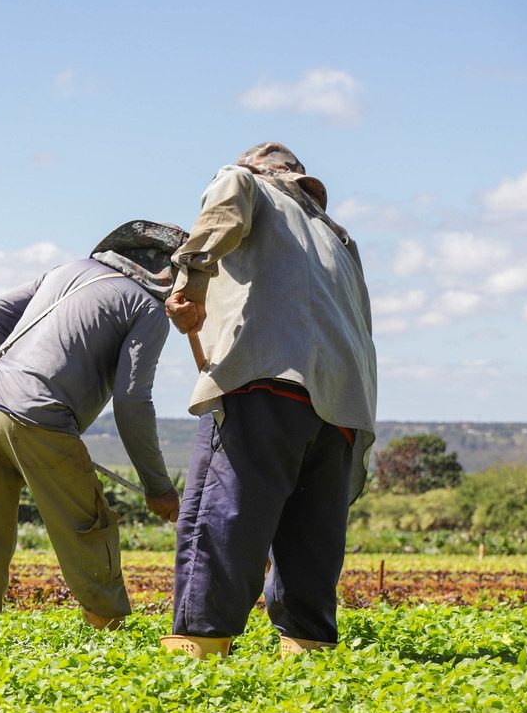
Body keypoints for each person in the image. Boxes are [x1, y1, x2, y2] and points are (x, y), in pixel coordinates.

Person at [160, 142, 377, 658]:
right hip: (344, 402)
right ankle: (307, 651)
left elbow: (217, 223)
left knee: (223, 514)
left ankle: (198, 647)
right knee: (312, 537)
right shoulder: (339, 237)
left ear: (263, 170)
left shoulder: (245, 181)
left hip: (268, 377)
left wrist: (188, 288)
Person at [0, 220, 188, 631]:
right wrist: (158, 487)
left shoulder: (68, 271)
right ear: (169, 273)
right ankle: (107, 635)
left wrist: (2, 379)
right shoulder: (146, 309)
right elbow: (132, 402)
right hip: (41, 416)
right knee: (87, 526)